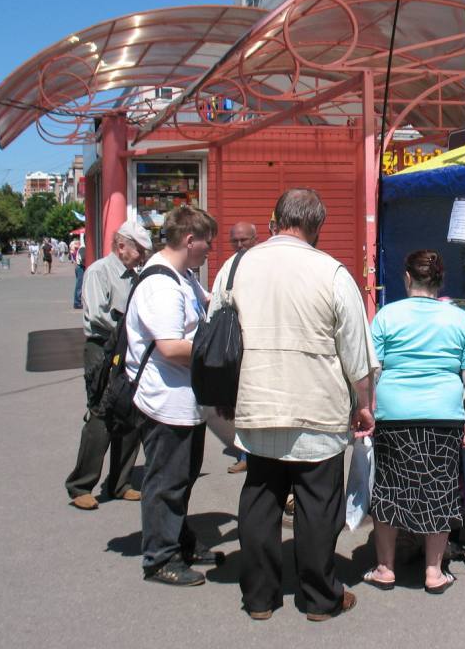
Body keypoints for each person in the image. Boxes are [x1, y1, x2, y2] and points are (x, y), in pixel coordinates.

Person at [214, 188, 376, 621]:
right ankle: (320, 598)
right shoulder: (332, 273)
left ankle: (259, 597)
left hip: (256, 400)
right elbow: (356, 355)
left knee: (260, 498)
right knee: (318, 505)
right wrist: (364, 404)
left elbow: (216, 334)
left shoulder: (235, 267)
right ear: (317, 225)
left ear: (276, 219)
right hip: (316, 407)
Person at [362, 250, 465, 595]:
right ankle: (433, 572)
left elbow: (371, 369)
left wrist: (367, 409)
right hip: (443, 414)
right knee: (440, 487)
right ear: (440, 280)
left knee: (388, 487)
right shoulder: (458, 319)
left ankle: (385, 568)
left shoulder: (387, 315)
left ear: (407, 277)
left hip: (394, 414)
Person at [128, 205, 219, 587]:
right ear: (190, 240)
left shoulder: (183, 276)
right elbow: (170, 346)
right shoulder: (161, 284)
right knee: (166, 482)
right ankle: (160, 558)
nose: (210, 250)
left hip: (185, 399)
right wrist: (219, 351)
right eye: (207, 243)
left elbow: (211, 303)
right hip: (165, 402)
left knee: (182, 477)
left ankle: (180, 540)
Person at [65, 222, 153, 510]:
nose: (142, 256)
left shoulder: (135, 276)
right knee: (101, 415)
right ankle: (81, 485)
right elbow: (97, 315)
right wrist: (131, 327)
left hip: (125, 347)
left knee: (129, 412)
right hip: (103, 348)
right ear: (122, 245)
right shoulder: (99, 271)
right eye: (139, 250)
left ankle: (120, 482)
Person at [220, 221, 258, 475]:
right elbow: (219, 300)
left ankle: (259, 456)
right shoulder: (229, 266)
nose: (240, 244)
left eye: (244, 239)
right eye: (235, 240)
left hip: (260, 342)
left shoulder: (264, 262)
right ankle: (245, 454)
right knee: (239, 402)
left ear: (255, 239)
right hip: (237, 343)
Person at [71, 238, 85, 309]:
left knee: (80, 285)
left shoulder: (83, 247)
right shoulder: (83, 248)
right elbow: (83, 260)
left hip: (80, 267)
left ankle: (77, 301)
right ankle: (77, 302)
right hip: (81, 267)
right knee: (79, 285)